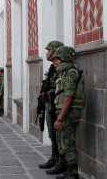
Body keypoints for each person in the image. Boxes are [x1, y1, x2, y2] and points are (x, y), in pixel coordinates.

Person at [48, 46, 85, 179]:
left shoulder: (70, 74)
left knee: (68, 143)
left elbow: (69, 99)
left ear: (64, 59)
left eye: (58, 59)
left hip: (68, 114)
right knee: (63, 142)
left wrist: (59, 119)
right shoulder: (65, 72)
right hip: (64, 113)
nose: (56, 62)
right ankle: (68, 169)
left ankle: (73, 172)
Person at [37, 41, 65, 172]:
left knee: (58, 137)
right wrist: (41, 104)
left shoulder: (61, 69)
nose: (47, 53)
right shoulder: (52, 68)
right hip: (49, 106)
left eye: (48, 51)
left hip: (57, 106)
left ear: (55, 52)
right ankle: (54, 158)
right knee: (52, 135)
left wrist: (49, 94)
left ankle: (61, 163)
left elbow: (62, 89)